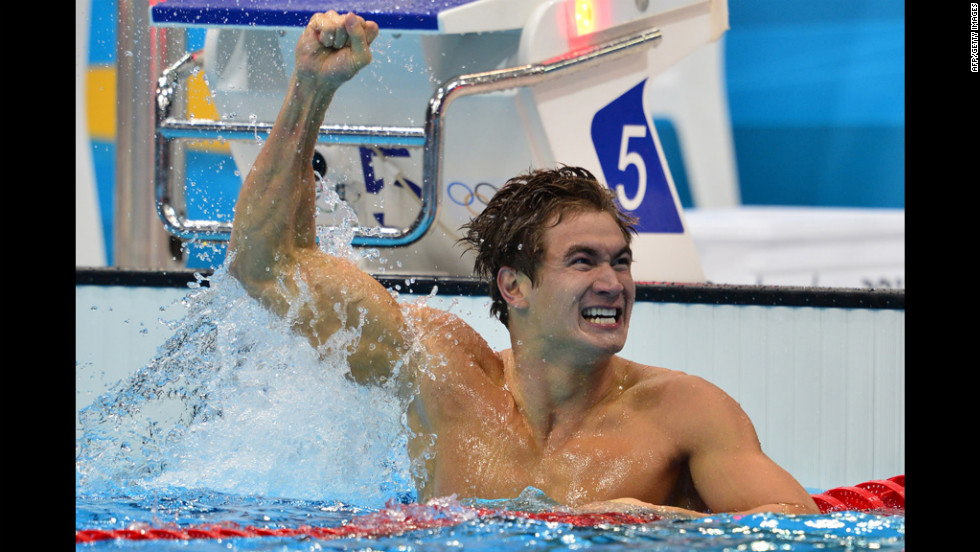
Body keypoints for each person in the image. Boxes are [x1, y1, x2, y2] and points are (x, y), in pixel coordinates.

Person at [227, 10, 819, 517]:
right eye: (583, 261)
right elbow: (268, 265)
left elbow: (803, 529)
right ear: (514, 285)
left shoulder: (682, 414)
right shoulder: (440, 373)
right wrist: (309, 89)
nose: (613, 284)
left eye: (621, 262)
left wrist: (656, 523)